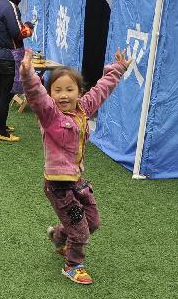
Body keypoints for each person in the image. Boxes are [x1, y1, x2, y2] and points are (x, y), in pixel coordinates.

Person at [19, 47, 131, 285]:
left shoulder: (83, 108)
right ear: (50, 94)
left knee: (93, 222)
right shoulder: (50, 115)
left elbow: (102, 90)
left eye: (69, 90)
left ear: (79, 92)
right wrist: (28, 74)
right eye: (57, 90)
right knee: (80, 230)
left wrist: (118, 69)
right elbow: (36, 95)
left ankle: (59, 236)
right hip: (58, 186)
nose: (63, 95)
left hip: (77, 181)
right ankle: (73, 265)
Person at [0, 0, 35, 142]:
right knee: (6, 94)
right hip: (9, 56)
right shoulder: (9, 6)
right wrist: (29, 26)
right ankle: (1, 131)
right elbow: (18, 33)